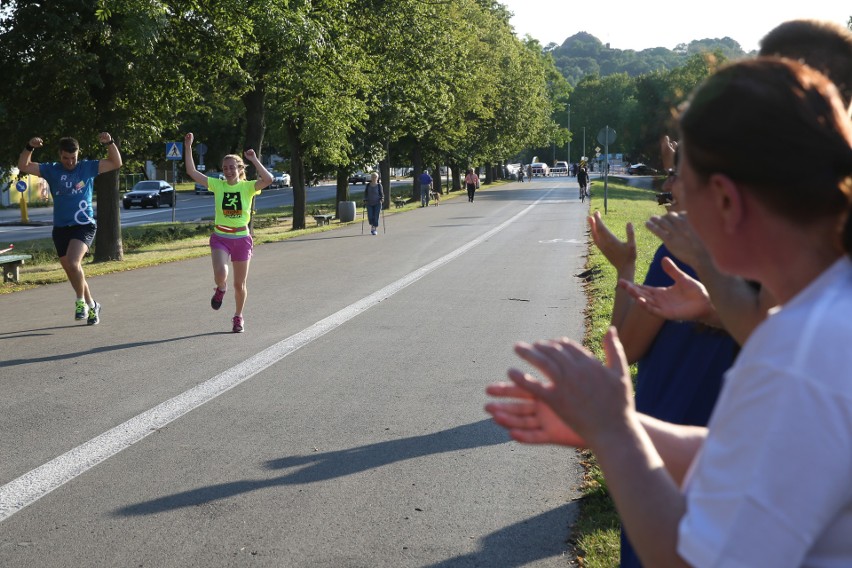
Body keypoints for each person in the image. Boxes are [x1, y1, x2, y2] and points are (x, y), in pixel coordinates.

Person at [486, 57, 852, 566]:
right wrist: (609, 423)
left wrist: (615, 435)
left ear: (724, 197)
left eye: (679, 179)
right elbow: (745, 461)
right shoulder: (818, 317)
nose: (668, 191)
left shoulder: (807, 351)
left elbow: (688, 557)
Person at [626, 18, 852, 346]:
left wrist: (704, 261)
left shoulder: (789, 196)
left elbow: (772, 338)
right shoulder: (816, 180)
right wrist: (709, 309)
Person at [589, 141, 738, 568]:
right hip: (732, 445)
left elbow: (626, 347)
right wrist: (624, 269)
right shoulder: (763, 250)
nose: (666, 183)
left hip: (669, 433)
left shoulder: (678, 250)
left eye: (675, 174)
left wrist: (625, 269)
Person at [17, 133, 122, 325]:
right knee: (73, 271)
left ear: (78, 154)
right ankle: (93, 305)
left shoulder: (87, 167)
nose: (70, 162)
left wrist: (110, 143)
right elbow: (23, 166)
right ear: (60, 155)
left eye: (73, 158)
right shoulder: (52, 170)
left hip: (83, 224)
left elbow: (116, 163)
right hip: (61, 228)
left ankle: (80, 302)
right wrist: (29, 147)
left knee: (74, 263)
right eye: (66, 158)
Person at [184, 132, 273, 333]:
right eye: (225, 168)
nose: (228, 171)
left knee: (239, 284)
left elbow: (268, 179)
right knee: (221, 273)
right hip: (221, 237)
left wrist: (254, 159)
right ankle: (220, 288)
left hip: (241, 238)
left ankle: (238, 316)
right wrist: (188, 146)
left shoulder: (248, 187)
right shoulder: (217, 185)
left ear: (240, 169)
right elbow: (191, 172)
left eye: (232, 167)